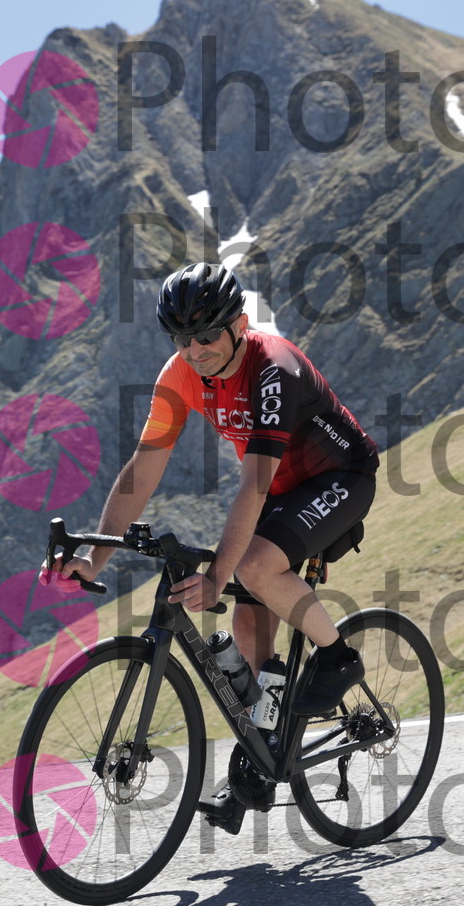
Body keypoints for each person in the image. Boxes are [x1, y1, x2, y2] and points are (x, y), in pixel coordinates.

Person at [42, 261, 379, 835]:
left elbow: (253, 485)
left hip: (340, 477)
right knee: (248, 629)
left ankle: (338, 658)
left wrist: (220, 575)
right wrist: (94, 558)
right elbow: (143, 470)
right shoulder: (180, 375)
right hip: (282, 490)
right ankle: (266, 753)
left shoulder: (273, 368)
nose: (194, 351)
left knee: (252, 567)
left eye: (205, 336)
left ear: (239, 326)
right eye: (181, 339)